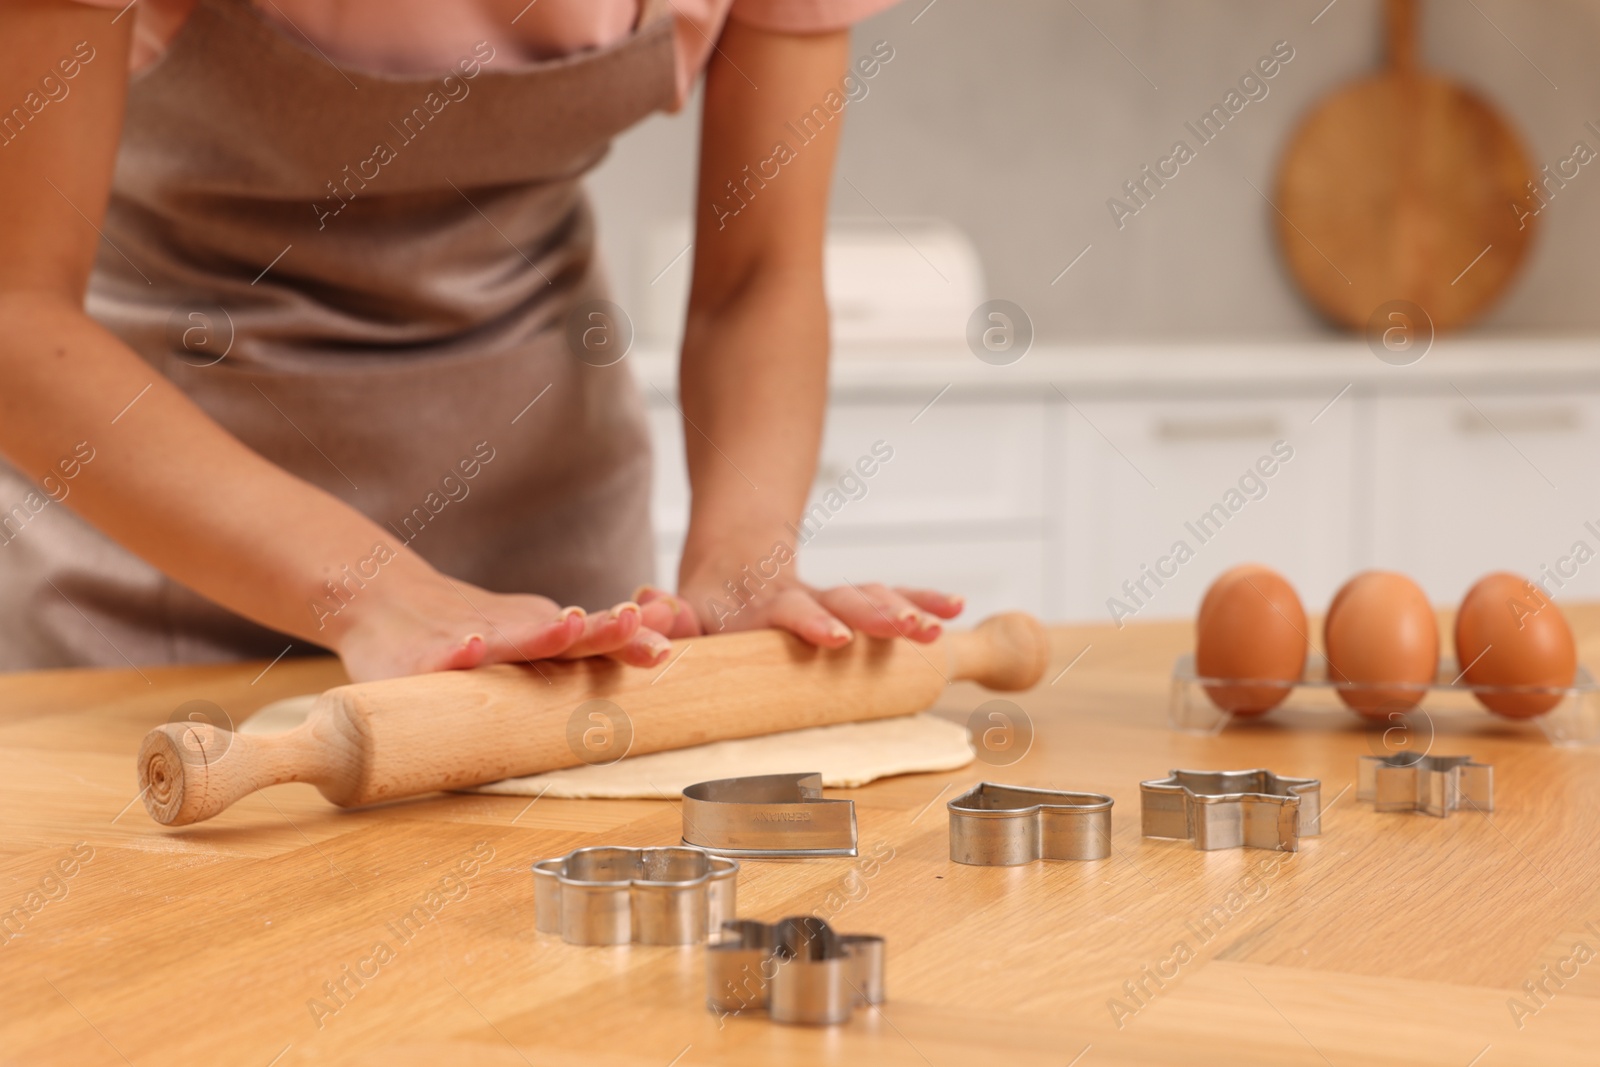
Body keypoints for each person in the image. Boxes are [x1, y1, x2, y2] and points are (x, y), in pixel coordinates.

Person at [0, 0, 964, 682]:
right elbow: (16, 310)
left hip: (552, 567)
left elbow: (760, 280)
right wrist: (363, 587)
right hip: (157, 549)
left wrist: (743, 557)